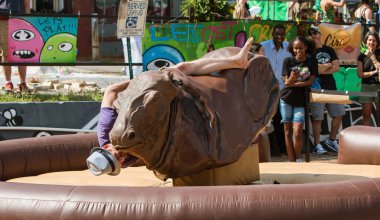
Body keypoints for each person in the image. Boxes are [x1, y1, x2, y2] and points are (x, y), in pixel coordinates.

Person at [96, 37, 254, 165]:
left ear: (106, 147)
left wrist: (139, 81)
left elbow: (111, 91)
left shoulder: (105, 129)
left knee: (182, 69)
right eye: (118, 161)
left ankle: (235, 61)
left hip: (141, 96)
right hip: (157, 116)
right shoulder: (126, 160)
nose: (121, 158)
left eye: (116, 156)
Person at [308, 25, 346, 154]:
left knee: (339, 113)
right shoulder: (308, 51)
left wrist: (322, 68)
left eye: (314, 32)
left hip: (331, 86)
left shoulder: (329, 49)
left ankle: (332, 139)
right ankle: (317, 145)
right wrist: (328, 65)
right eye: (310, 33)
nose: (312, 35)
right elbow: (315, 70)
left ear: (320, 34)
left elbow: (337, 68)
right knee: (318, 118)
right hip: (316, 88)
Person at [280, 36, 318, 162]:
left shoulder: (312, 61)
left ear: (306, 47)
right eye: (295, 48)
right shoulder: (287, 61)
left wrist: (293, 84)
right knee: (287, 131)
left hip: (301, 100)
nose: (298, 51)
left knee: (297, 131)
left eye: (300, 48)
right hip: (286, 98)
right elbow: (286, 82)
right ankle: (292, 160)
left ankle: (296, 158)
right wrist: (291, 78)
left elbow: (310, 81)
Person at [260, 24, 292, 156]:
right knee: (267, 120)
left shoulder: (289, 48)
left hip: (283, 89)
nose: (279, 37)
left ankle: (283, 150)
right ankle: (271, 151)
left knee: (281, 119)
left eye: (282, 34)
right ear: (272, 33)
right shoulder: (263, 46)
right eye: (277, 34)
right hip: (266, 89)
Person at [0, 0, 29, 93]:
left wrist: (28, 19)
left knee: (22, 52)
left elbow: (26, 2)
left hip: (20, 18)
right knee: (6, 51)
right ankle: (8, 83)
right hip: (2, 18)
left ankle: (23, 83)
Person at [356, 31, 380, 126]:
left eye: (374, 40)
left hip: (378, 87)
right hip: (366, 87)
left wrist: (372, 57)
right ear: (366, 41)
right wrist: (373, 72)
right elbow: (360, 74)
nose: (371, 42)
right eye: (369, 40)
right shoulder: (361, 57)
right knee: (366, 115)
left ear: (377, 43)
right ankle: (366, 138)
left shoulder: (379, 53)